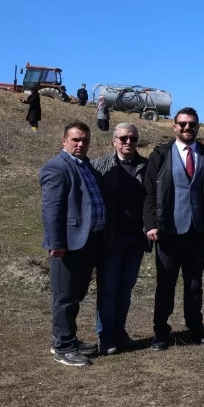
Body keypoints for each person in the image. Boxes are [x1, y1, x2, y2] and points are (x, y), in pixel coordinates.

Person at [144, 107, 204, 350]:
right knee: (165, 284)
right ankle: (160, 333)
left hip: (198, 230)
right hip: (168, 230)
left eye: (192, 124)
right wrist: (151, 224)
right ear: (174, 126)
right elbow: (149, 192)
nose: (187, 128)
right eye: (183, 124)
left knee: (194, 284)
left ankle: (196, 330)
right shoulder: (160, 154)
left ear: (198, 127)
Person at [41, 122, 106, 366]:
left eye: (85, 140)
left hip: (88, 242)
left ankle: (69, 338)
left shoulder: (86, 166)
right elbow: (51, 209)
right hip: (67, 245)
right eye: (76, 140)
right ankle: (62, 347)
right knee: (64, 296)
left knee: (76, 294)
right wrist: (55, 242)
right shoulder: (56, 167)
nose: (80, 144)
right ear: (64, 141)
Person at [91, 123, 149, 355]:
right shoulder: (100, 167)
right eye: (123, 138)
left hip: (136, 240)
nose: (128, 142)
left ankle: (120, 331)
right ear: (113, 141)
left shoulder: (147, 167)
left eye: (133, 139)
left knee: (125, 289)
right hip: (109, 240)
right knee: (108, 290)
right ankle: (105, 336)